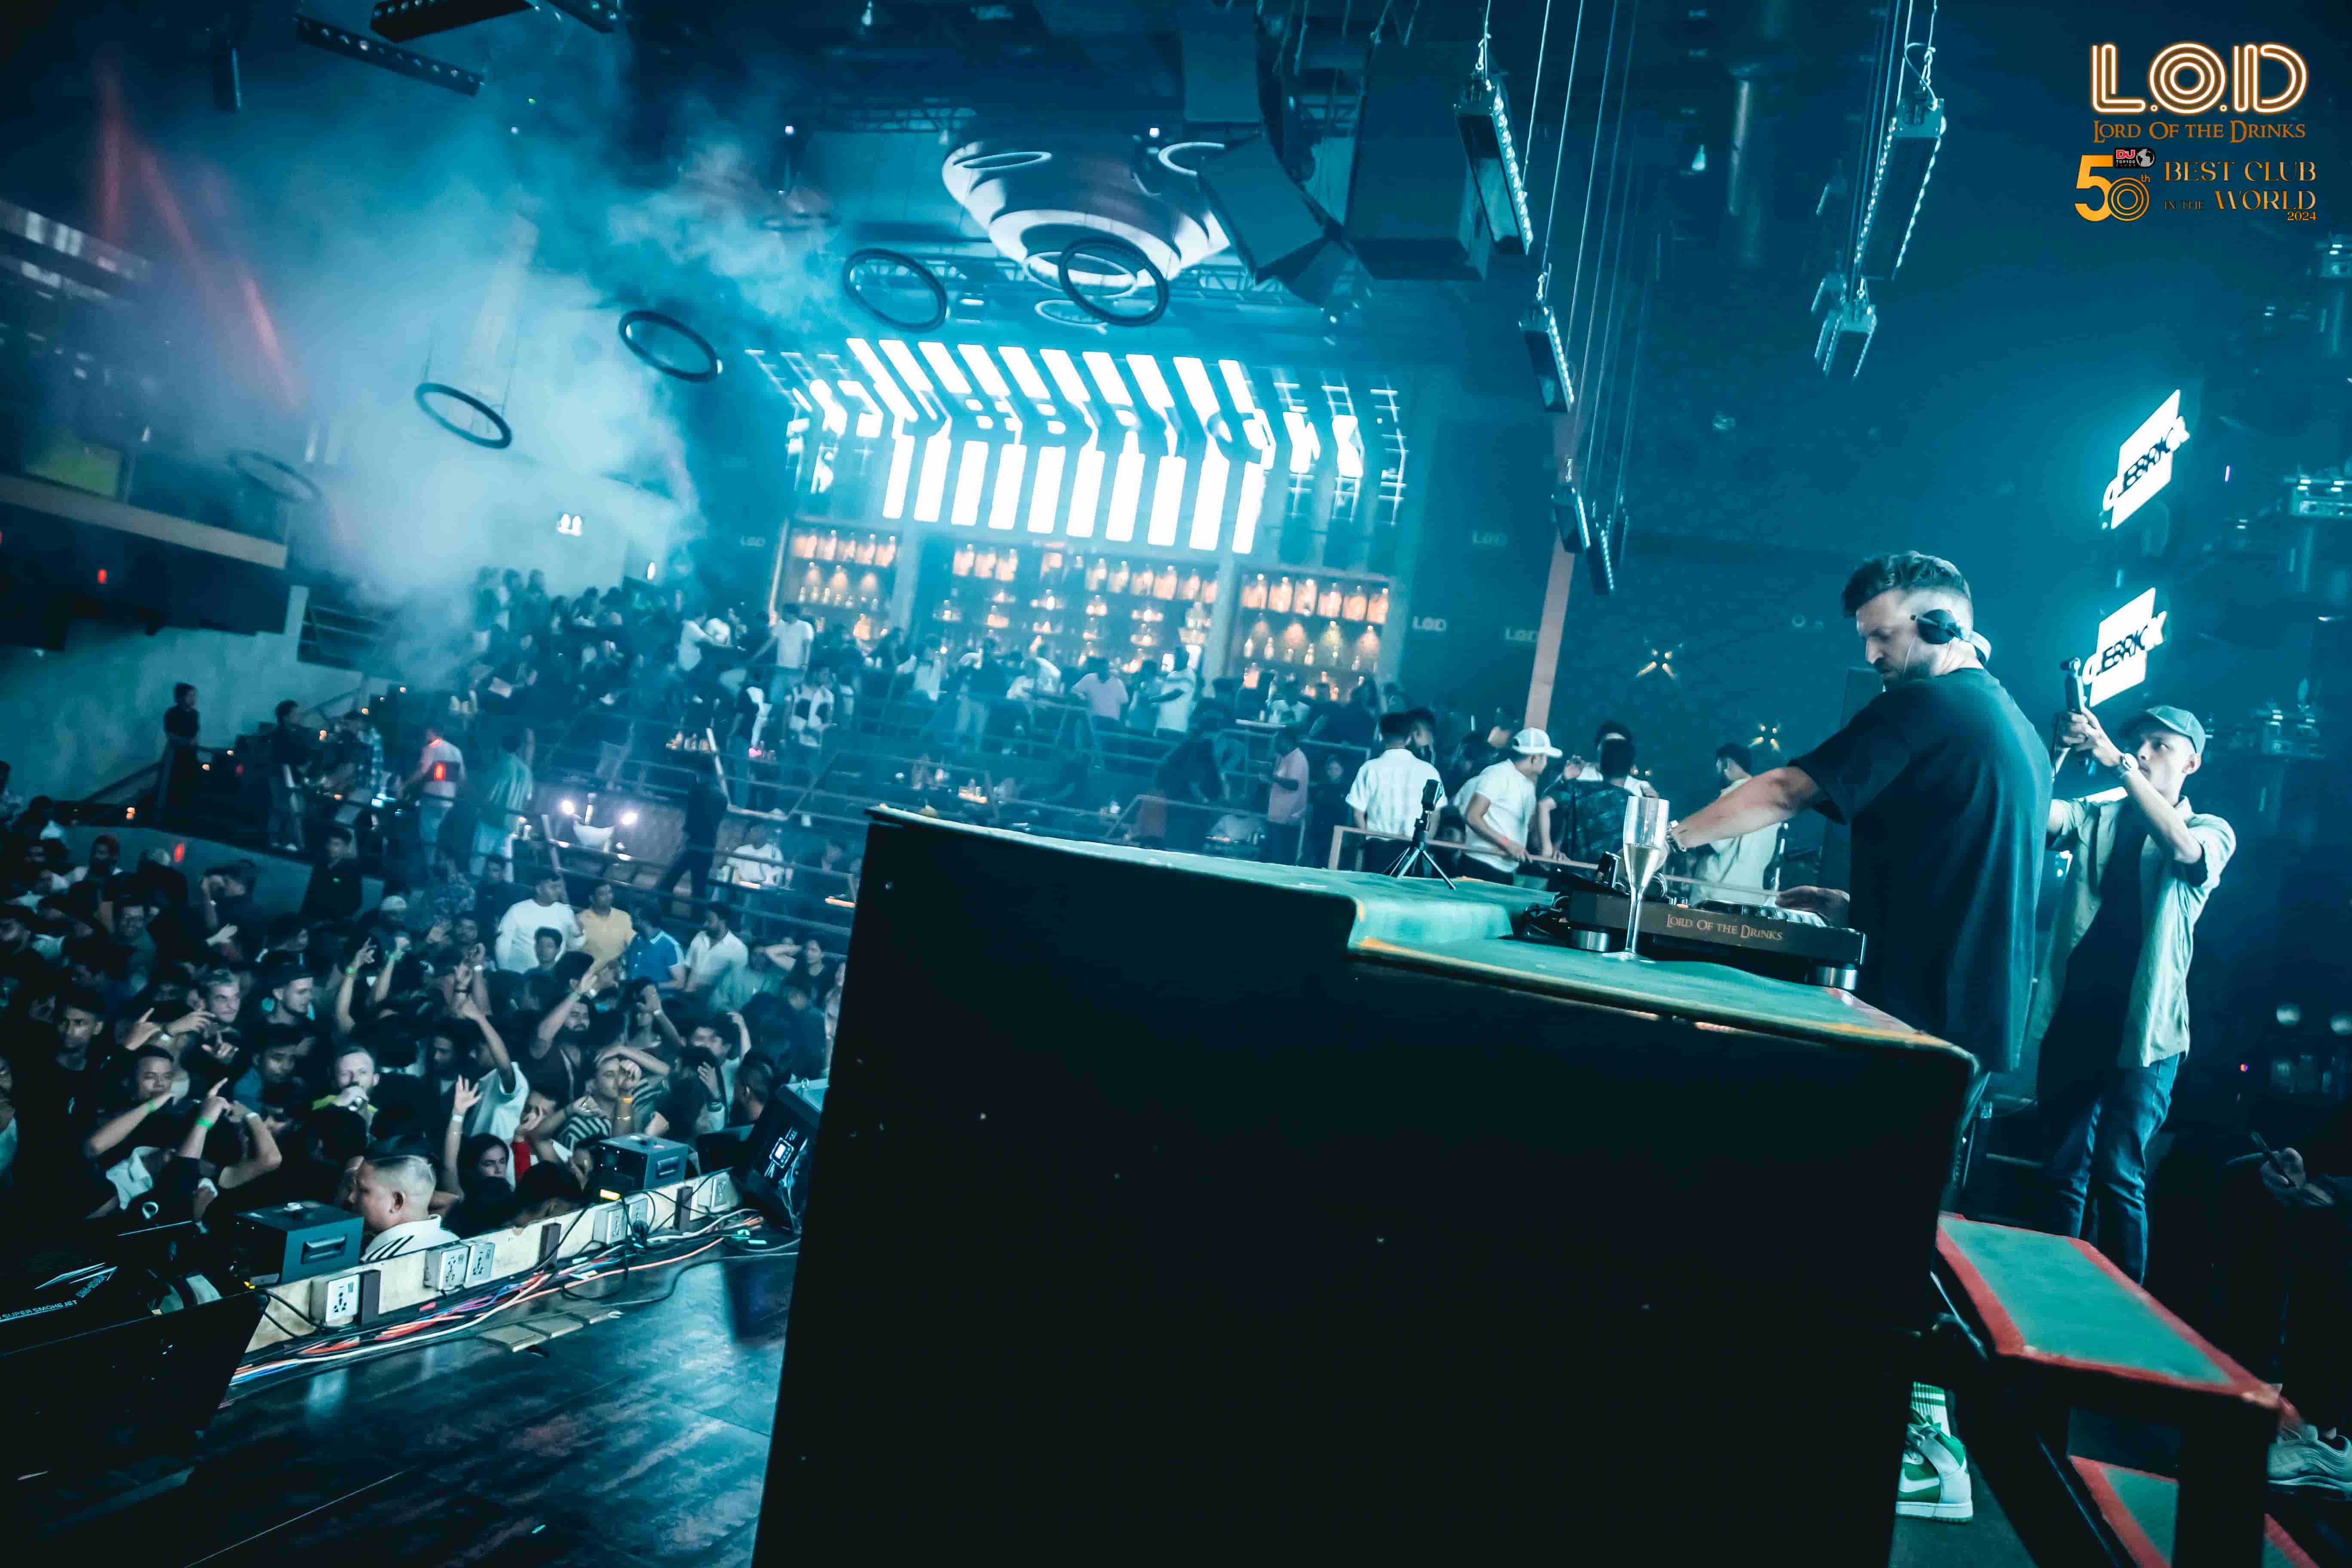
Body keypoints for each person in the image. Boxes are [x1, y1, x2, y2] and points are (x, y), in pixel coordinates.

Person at [1669, 552, 2045, 1528]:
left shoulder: (1927, 705)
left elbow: (1787, 788)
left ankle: (1916, 1448)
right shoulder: (2005, 717)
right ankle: (1888, 1419)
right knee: (1900, 1219)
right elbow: (1960, 862)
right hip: (1968, 1010)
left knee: (1882, 1230)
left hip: (1925, 1016)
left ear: (1938, 627)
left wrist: (1662, 842)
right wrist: (1848, 900)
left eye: (1883, 636)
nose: (1873, 655)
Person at [2030, 705, 2233, 1284]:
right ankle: (2048, 1299)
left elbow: (2184, 852)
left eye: (2160, 745)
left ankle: (2123, 1316)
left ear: (2192, 762)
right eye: (2139, 743)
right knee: (2061, 1170)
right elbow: (2028, 811)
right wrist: (2057, 753)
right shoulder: (2098, 815)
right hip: (2078, 1016)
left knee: (2118, 1172)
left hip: (2147, 1032)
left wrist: (2119, 766)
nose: (2143, 752)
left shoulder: (2211, 829)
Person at [1455, 729, 1561, 883]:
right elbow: (1472, 816)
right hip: (1479, 865)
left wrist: (1549, 853)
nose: (1546, 763)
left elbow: (1529, 831)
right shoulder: (1498, 774)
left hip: (1505, 870)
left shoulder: (1528, 785)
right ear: (1534, 758)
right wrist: (1508, 844)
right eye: (1545, 757)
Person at [1683, 744, 1782, 899]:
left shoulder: (1733, 796)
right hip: (1751, 897)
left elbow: (1711, 843)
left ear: (1726, 764)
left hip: (1716, 897)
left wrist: (1686, 845)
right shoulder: (1771, 800)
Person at [1344, 712, 1444, 851]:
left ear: (1380, 736)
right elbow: (1436, 814)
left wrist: (1365, 841)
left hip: (1376, 845)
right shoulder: (1430, 771)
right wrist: (1424, 845)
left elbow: (1357, 813)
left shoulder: (1370, 768)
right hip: (1413, 847)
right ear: (1409, 738)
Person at [658, 754, 730, 914]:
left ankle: (664, 917)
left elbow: (691, 821)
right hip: (708, 847)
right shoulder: (722, 797)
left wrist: (681, 845)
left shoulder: (698, 791)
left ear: (698, 772)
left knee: (666, 884)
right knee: (699, 890)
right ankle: (695, 924)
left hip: (692, 845)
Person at [349, 1152, 456, 1260]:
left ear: (397, 1202)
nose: (351, 1198)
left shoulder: (378, 1263)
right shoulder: (454, 1241)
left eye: (362, 1190)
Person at [474, 727, 536, 875]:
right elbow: (527, 798)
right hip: (511, 823)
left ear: (500, 746)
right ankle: (508, 885)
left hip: (490, 819)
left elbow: (490, 793)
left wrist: (479, 808)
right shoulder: (526, 771)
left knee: (479, 858)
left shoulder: (500, 765)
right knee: (506, 862)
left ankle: (473, 882)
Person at [495, 871, 580, 973]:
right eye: (553, 887)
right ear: (539, 889)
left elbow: (574, 945)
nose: (558, 891)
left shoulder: (566, 912)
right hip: (520, 976)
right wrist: (505, 972)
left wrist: (579, 934)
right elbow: (502, 945)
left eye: (559, 887)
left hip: (554, 978)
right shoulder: (517, 910)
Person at [406, 721, 465, 859]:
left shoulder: (430, 749)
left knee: (428, 836)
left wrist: (406, 784)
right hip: (449, 801)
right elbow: (462, 778)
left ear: (430, 731)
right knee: (442, 835)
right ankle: (441, 864)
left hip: (432, 799)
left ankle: (430, 864)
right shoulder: (456, 752)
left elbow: (422, 771)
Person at [265, 698, 312, 852]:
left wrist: (305, 765)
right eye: (295, 714)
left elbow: (306, 753)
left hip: (296, 777)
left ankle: (289, 841)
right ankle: (275, 840)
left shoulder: (300, 734)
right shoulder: (278, 735)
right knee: (281, 808)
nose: (299, 716)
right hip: (281, 777)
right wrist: (299, 766)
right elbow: (283, 756)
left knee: (296, 811)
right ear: (286, 717)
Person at [1260, 726, 1311, 864]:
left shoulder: (1298, 758)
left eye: (1276, 740)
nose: (1274, 743)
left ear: (1286, 741)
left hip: (1288, 821)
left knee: (1281, 861)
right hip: (1276, 818)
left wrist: (1272, 777)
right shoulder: (1283, 758)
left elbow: (1294, 785)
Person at [677, 905, 749, 999]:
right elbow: (688, 965)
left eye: (710, 921)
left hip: (714, 996)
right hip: (689, 990)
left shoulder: (739, 949)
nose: (705, 925)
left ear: (723, 922)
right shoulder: (700, 936)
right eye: (705, 920)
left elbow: (736, 982)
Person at [157, 683, 203, 823]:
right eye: (190, 696)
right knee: (172, 786)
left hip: (191, 756)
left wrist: (192, 744)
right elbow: (171, 736)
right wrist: (186, 742)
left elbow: (195, 735)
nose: (193, 699)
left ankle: (185, 817)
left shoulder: (195, 714)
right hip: (175, 756)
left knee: (190, 787)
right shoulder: (172, 713)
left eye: (194, 696)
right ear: (181, 697)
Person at [300, 824, 365, 922]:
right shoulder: (320, 865)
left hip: (333, 921)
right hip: (309, 916)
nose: (331, 848)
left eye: (337, 845)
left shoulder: (351, 872)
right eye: (329, 843)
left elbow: (355, 902)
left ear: (346, 848)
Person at [577, 879, 635, 971]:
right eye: (602, 894)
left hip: (617, 973)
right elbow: (575, 950)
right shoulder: (580, 920)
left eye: (610, 892)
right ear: (592, 899)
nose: (608, 897)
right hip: (589, 973)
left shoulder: (624, 917)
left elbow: (633, 945)